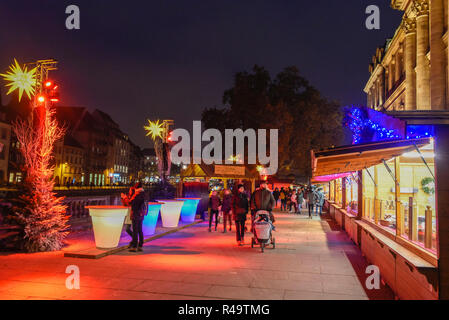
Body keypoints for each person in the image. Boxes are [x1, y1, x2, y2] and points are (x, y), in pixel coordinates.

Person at [129, 182, 146, 252]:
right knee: (140, 230)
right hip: (141, 214)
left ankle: (134, 246)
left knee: (135, 230)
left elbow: (132, 203)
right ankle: (140, 245)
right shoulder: (144, 194)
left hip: (136, 214)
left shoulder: (137, 195)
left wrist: (132, 196)